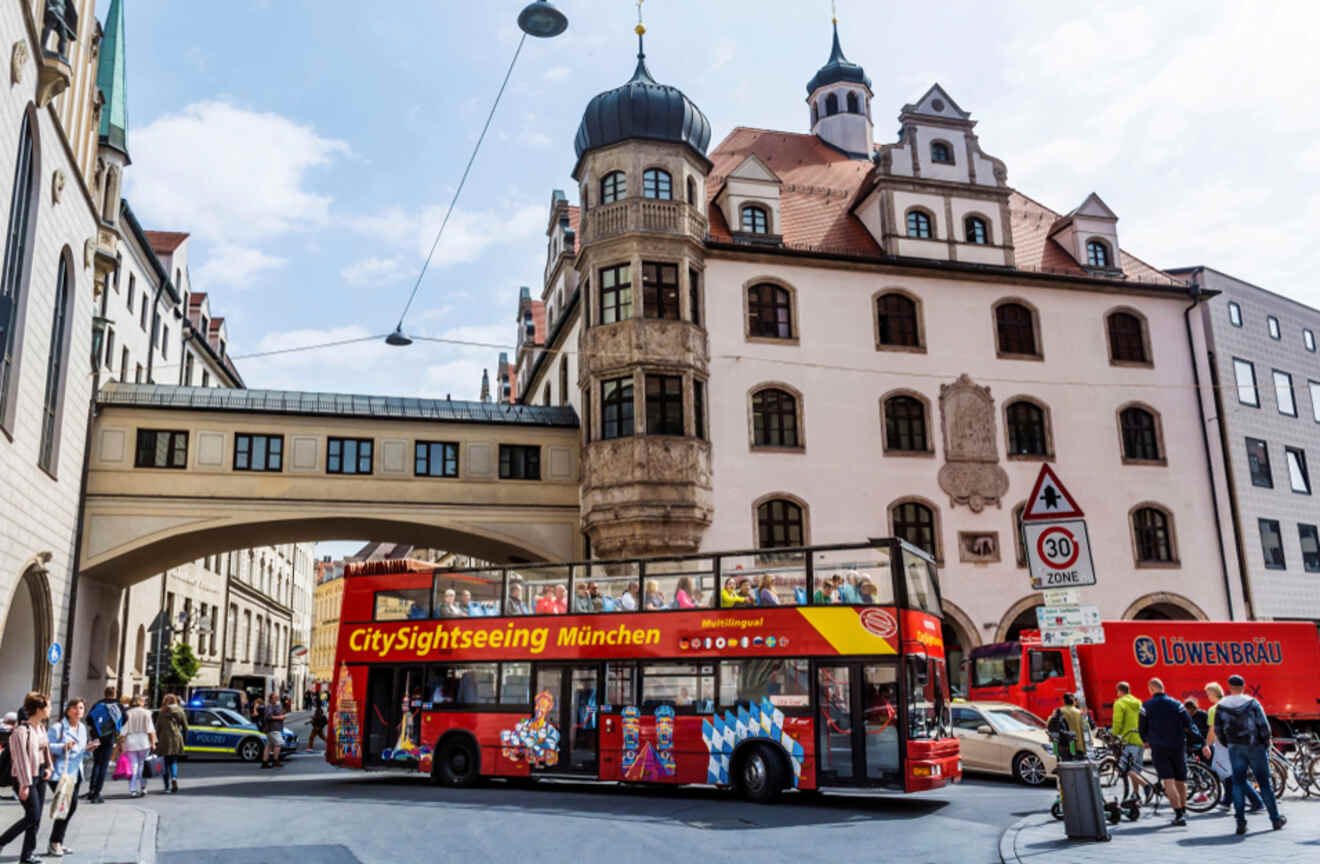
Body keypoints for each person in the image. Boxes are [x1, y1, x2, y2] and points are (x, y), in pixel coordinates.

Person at [1215, 673, 1284, 834]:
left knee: (1238, 783)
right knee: (1265, 783)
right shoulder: (1252, 703)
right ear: (1243, 686)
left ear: (1229, 687)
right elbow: (1264, 726)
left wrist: (1229, 743)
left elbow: (1218, 730)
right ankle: (1275, 819)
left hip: (1235, 747)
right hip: (1255, 746)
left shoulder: (1222, 705)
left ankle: (1240, 822)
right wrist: (1266, 743)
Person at [1139, 677, 1202, 826]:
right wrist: (1199, 742)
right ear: (1163, 687)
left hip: (1159, 747)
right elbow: (1189, 724)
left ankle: (1178, 814)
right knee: (1181, 780)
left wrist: (1146, 740)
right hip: (1178, 745)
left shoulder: (1146, 706)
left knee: (1168, 780)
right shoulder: (1177, 704)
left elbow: (1142, 728)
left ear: (1151, 689)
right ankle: (1184, 810)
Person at [0, 692, 52, 863]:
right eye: (47, 706)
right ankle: (2, 841)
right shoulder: (21, 732)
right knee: (33, 816)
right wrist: (24, 785)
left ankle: (27, 855)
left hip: (40, 774)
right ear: (38, 709)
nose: (49, 710)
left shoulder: (41, 728)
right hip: (25, 777)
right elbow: (21, 759)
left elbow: (45, 749)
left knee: (36, 817)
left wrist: (49, 767)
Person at [1202, 681, 1262, 811]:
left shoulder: (1214, 709)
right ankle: (1227, 801)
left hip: (1222, 746)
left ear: (1213, 693)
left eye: (1208, 694)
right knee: (1230, 774)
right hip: (1236, 743)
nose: (1208, 697)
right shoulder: (1229, 704)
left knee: (1230, 774)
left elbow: (1212, 731)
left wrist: (1207, 745)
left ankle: (1256, 801)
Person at [46, 696, 94, 857]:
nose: (78, 711)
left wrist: (89, 749)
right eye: (74, 708)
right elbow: (47, 746)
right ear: (68, 711)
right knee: (65, 807)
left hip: (75, 773)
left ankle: (58, 841)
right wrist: (63, 746)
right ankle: (54, 843)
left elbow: (80, 750)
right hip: (60, 773)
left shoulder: (81, 728)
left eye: (81, 708)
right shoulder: (58, 728)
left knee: (69, 807)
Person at [1111, 682, 1151, 805]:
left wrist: (1114, 734)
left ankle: (1146, 786)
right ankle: (1135, 793)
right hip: (1140, 740)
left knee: (1125, 768)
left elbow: (1117, 721)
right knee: (1135, 770)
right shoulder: (1138, 702)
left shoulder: (1120, 703)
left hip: (1128, 739)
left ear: (1119, 691)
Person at [84, 685, 121, 804]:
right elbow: (125, 718)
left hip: (97, 737)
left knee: (97, 763)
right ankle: (97, 793)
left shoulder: (97, 704)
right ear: (114, 693)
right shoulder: (118, 705)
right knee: (104, 765)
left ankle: (91, 789)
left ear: (105, 693)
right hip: (109, 738)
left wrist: (97, 728)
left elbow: (88, 719)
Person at [119, 695, 156, 799]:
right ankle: (143, 787)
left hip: (130, 742)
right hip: (144, 741)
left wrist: (121, 744)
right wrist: (153, 743)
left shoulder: (127, 713)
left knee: (133, 766)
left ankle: (133, 789)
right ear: (141, 702)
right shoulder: (147, 713)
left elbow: (123, 731)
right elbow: (151, 730)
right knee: (142, 765)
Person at [156, 693, 187, 794]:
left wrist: (156, 740)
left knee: (165, 762)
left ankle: (166, 787)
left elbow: (158, 727)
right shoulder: (180, 711)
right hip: (176, 738)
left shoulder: (162, 712)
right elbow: (186, 727)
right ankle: (174, 778)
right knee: (173, 761)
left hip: (164, 738)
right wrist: (184, 739)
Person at [1047, 693, 1086, 760]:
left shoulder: (1058, 711)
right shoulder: (1079, 712)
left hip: (1064, 745)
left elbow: (1050, 724)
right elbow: (1085, 727)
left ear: (1063, 701)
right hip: (1079, 746)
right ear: (1073, 701)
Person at [261, 694, 286, 768]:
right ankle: (275, 761)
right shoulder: (270, 706)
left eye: (277, 697)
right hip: (273, 728)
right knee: (279, 743)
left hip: (274, 728)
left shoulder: (275, 705)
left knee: (269, 745)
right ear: (271, 698)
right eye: (275, 697)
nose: (277, 698)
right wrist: (280, 717)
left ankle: (265, 762)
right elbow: (268, 717)